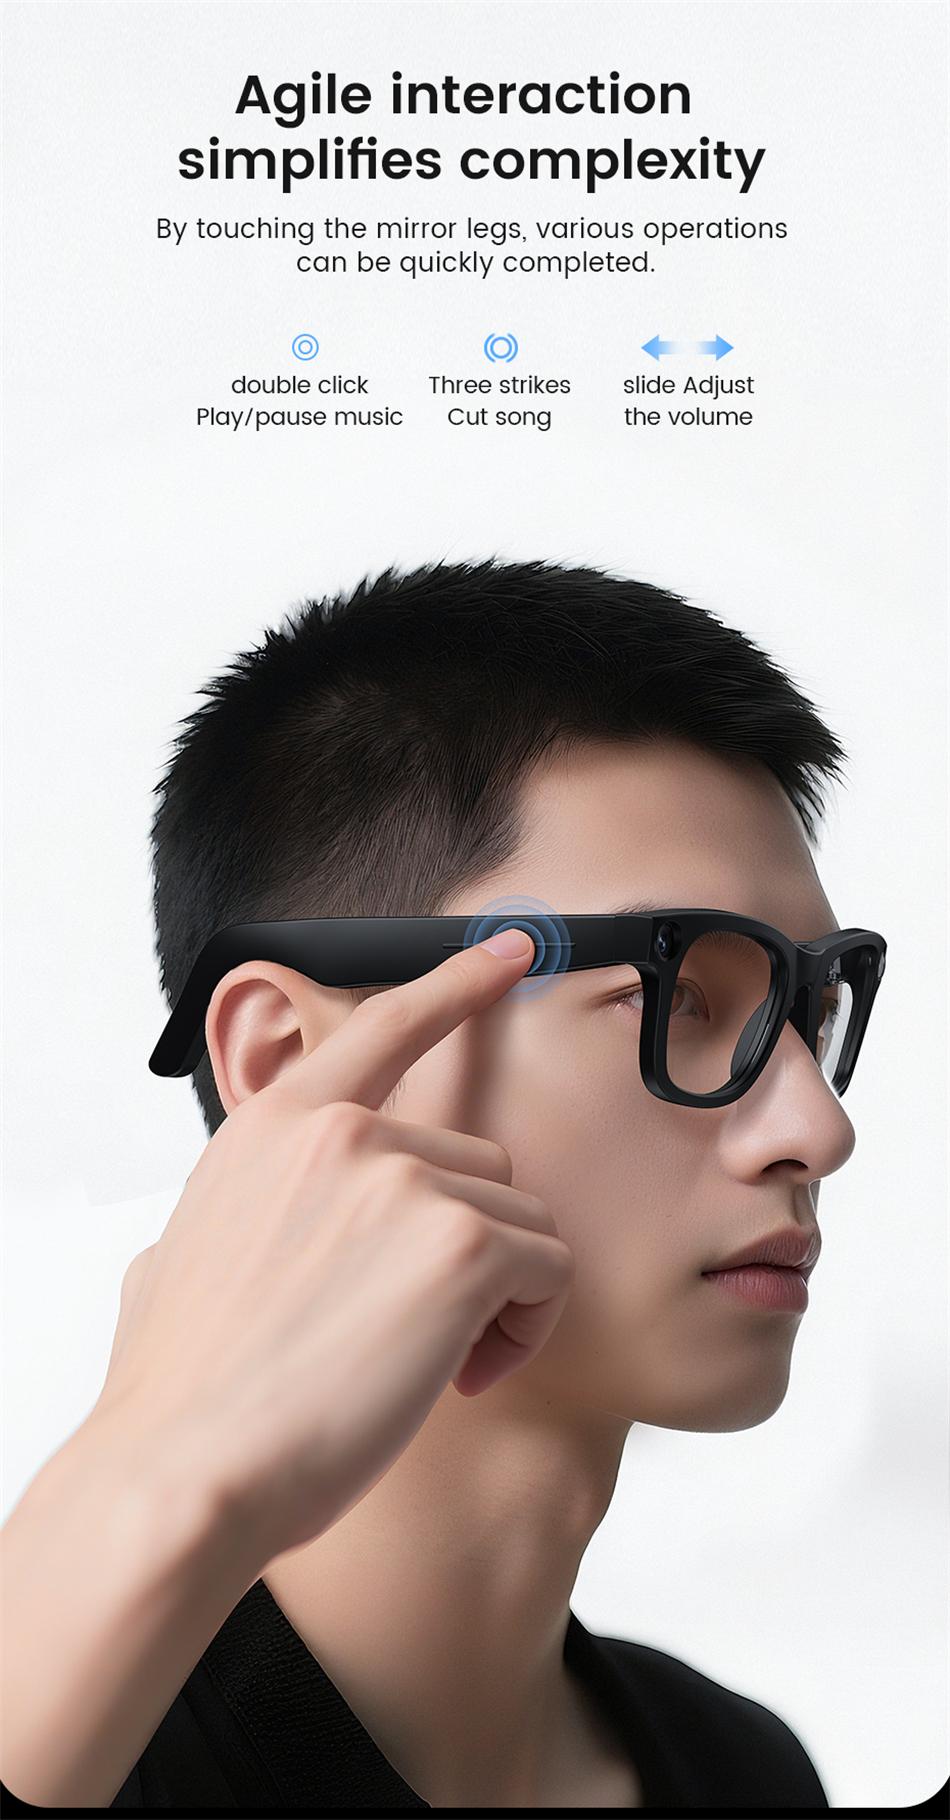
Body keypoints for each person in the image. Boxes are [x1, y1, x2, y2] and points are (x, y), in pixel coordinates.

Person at [1, 557, 878, 1809]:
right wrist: (160, 1460)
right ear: (288, 1058)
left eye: (809, 1007)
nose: (816, 1126)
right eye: (677, 993)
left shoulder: (741, 1769)